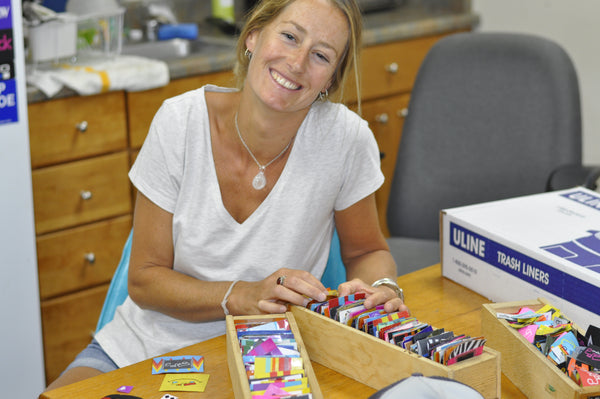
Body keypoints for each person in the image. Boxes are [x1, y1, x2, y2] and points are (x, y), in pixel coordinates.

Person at [44, 0, 407, 391]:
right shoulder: (178, 122)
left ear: (331, 80)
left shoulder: (345, 140)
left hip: (273, 357)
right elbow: (145, 282)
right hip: (145, 349)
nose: (298, 63)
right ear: (253, 35)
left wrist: (381, 288)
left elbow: (366, 252)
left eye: (320, 55)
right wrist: (239, 295)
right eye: (289, 36)